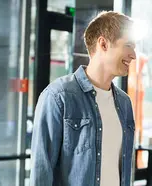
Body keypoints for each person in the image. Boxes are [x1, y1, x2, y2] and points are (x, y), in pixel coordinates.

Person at [30, 11, 136, 186]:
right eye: (128, 45)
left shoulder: (124, 103)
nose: (133, 55)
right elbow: (42, 171)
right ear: (103, 44)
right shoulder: (59, 96)